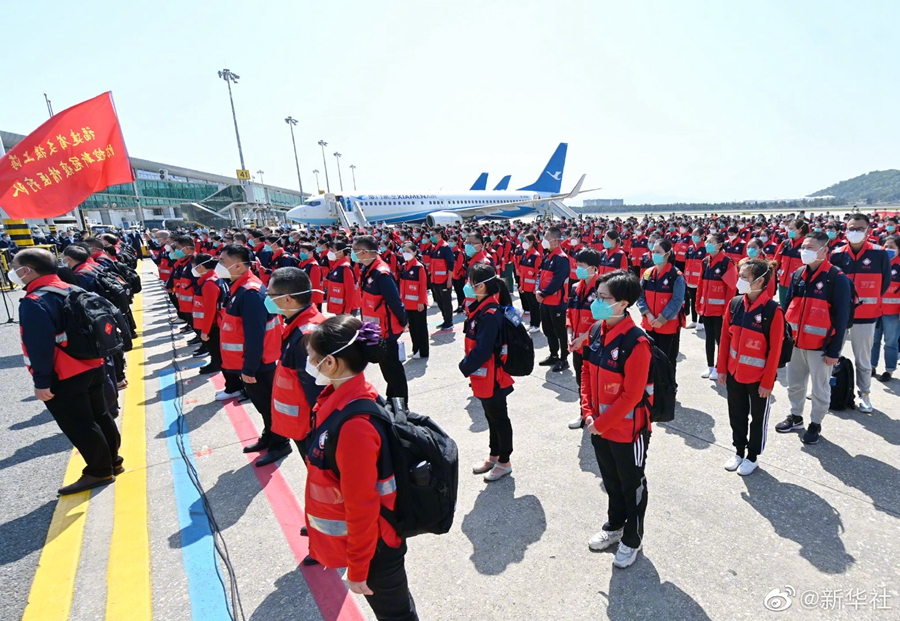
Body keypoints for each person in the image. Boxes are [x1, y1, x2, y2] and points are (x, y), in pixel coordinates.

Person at [304, 316, 419, 621]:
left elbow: (362, 505)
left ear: (331, 363)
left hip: (376, 548)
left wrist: (357, 568)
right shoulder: (348, 397)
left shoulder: (354, 425)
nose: (309, 363)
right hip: (373, 541)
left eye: (312, 357)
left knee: (396, 615)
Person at [13, 248, 122, 495]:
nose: (14, 273)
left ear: (27, 270)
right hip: (94, 364)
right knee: (100, 415)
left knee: (79, 424)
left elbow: (39, 346)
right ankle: (113, 460)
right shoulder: (71, 288)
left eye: (16, 268)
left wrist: (41, 381)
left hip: (65, 372)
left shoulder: (35, 301)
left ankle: (99, 470)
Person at [580, 270, 652, 569]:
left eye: (603, 297)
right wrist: (587, 412)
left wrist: (600, 423)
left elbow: (632, 395)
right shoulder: (597, 330)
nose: (596, 301)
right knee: (610, 480)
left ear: (622, 303)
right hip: (598, 426)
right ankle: (615, 525)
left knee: (631, 485)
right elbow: (585, 371)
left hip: (627, 430)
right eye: (596, 295)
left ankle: (632, 539)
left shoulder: (637, 342)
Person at [217, 245, 290, 466]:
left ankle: (280, 443)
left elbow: (255, 335)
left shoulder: (249, 293)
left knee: (268, 405)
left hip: (258, 363)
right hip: (251, 361)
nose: (219, 265)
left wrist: (249, 367)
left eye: (223, 261)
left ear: (239, 266)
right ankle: (269, 436)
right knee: (262, 405)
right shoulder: (239, 287)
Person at [777, 232, 852, 445]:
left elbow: (842, 319)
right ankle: (796, 416)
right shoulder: (798, 274)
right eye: (803, 247)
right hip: (796, 343)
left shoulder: (836, 278)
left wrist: (834, 351)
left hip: (821, 347)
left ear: (825, 250)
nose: (804, 251)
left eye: (810, 248)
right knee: (794, 383)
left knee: (820, 388)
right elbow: (787, 306)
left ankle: (815, 423)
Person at [716, 259, 784, 476]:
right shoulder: (735, 304)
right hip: (734, 373)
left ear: (760, 281)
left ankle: (752, 456)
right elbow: (724, 339)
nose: (739, 280)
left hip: (758, 378)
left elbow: (775, 351)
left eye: (744, 277)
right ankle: (738, 450)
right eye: (740, 276)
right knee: (736, 415)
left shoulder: (772, 310)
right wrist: (721, 369)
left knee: (757, 419)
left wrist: (767, 382)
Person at [830, 213, 891, 413]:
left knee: (863, 359)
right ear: (845, 230)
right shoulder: (837, 254)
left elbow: (884, 284)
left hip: (866, 316)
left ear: (868, 230)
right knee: (831, 354)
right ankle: (826, 388)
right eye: (851, 228)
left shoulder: (879, 253)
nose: (854, 232)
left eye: (859, 228)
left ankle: (864, 394)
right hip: (839, 316)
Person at [460, 264, 516, 483]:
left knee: (499, 418)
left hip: (493, 377)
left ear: (481, 286)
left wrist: (464, 366)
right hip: (483, 375)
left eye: (471, 282)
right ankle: (494, 455)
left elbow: (483, 350)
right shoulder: (481, 308)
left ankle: (505, 461)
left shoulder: (491, 313)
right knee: (491, 417)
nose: (468, 286)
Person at [352, 235, 410, 405]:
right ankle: (392, 400)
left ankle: (401, 405)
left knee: (393, 370)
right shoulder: (368, 269)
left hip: (387, 331)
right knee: (387, 370)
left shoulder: (381, 273)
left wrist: (403, 321)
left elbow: (395, 301)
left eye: (355, 251)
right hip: (375, 330)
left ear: (364, 252)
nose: (353, 254)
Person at [565, 248, 601, 429]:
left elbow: (601, 321)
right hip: (577, 345)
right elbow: (569, 313)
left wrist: (582, 338)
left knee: (596, 381)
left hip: (594, 344)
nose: (578, 268)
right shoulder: (575, 287)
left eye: (581, 265)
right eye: (577, 264)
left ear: (593, 268)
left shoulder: (602, 289)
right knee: (582, 382)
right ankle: (584, 413)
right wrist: (570, 336)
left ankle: (598, 414)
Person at [697, 232, 738, 380]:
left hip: (720, 311)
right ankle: (709, 366)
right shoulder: (705, 262)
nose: (707, 244)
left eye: (710, 241)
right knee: (709, 338)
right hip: (706, 309)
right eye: (706, 241)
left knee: (720, 339)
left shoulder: (727, 262)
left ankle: (719, 367)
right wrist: (698, 304)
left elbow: (731, 289)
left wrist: (727, 311)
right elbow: (700, 285)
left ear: (719, 245)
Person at [537, 227, 571, 372]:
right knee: (548, 330)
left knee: (560, 332)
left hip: (557, 302)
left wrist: (543, 293)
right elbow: (540, 275)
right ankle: (553, 355)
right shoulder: (548, 256)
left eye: (547, 237)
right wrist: (538, 290)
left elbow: (557, 281)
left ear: (556, 241)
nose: (544, 240)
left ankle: (564, 359)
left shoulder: (561, 259)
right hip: (545, 302)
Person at [191, 253, 229, 375]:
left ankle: (217, 365)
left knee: (215, 350)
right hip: (214, 324)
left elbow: (210, 310)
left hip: (212, 326)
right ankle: (215, 363)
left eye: (193, 266)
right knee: (215, 350)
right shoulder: (213, 279)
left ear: (200, 267)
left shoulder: (209, 284)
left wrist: (205, 331)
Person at [872, 235, 900, 381]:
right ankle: (871, 366)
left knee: (891, 343)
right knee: (873, 341)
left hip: (893, 313)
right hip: (875, 310)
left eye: (892, 247)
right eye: (886, 246)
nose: (888, 249)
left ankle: (889, 370)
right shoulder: (877, 263)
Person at [399, 242, 430, 359]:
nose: (405, 253)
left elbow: (423, 286)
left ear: (415, 252)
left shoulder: (419, 267)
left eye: (408, 251)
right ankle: (415, 349)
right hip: (407, 303)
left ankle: (423, 351)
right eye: (404, 251)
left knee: (420, 328)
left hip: (418, 304)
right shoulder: (404, 266)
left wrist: (421, 301)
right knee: (412, 328)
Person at [775, 218, 809, 307]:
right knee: (783, 307)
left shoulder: (807, 245)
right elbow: (776, 261)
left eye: (791, 229)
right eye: (788, 228)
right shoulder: (785, 244)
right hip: (782, 283)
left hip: (798, 283)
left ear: (800, 230)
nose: (788, 231)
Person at [428, 227, 455, 331]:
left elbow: (450, 265)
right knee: (440, 302)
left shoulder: (445, 248)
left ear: (439, 235)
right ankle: (445, 320)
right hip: (435, 281)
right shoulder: (435, 248)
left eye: (433, 235)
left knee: (446, 302)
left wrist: (449, 280)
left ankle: (449, 322)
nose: (431, 237)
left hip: (444, 281)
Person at [324, 240, 361, 316]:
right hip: (339, 307)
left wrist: (347, 310)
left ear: (340, 252)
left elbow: (350, 290)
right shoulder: (337, 266)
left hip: (346, 309)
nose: (329, 253)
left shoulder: (345, 268)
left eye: (332, 250)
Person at [517, 233, 542, 334]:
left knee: (535, 306)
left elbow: (538, 274)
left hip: (532, 287)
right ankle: (532, 323)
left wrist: (536, 288)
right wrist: (521, 285)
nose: (524, 243)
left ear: (531, 242)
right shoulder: (525, 254)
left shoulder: (536, 256)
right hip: (525, 286)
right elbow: (522, 272)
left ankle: (536, 325)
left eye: (526, 241)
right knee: (531, 306)